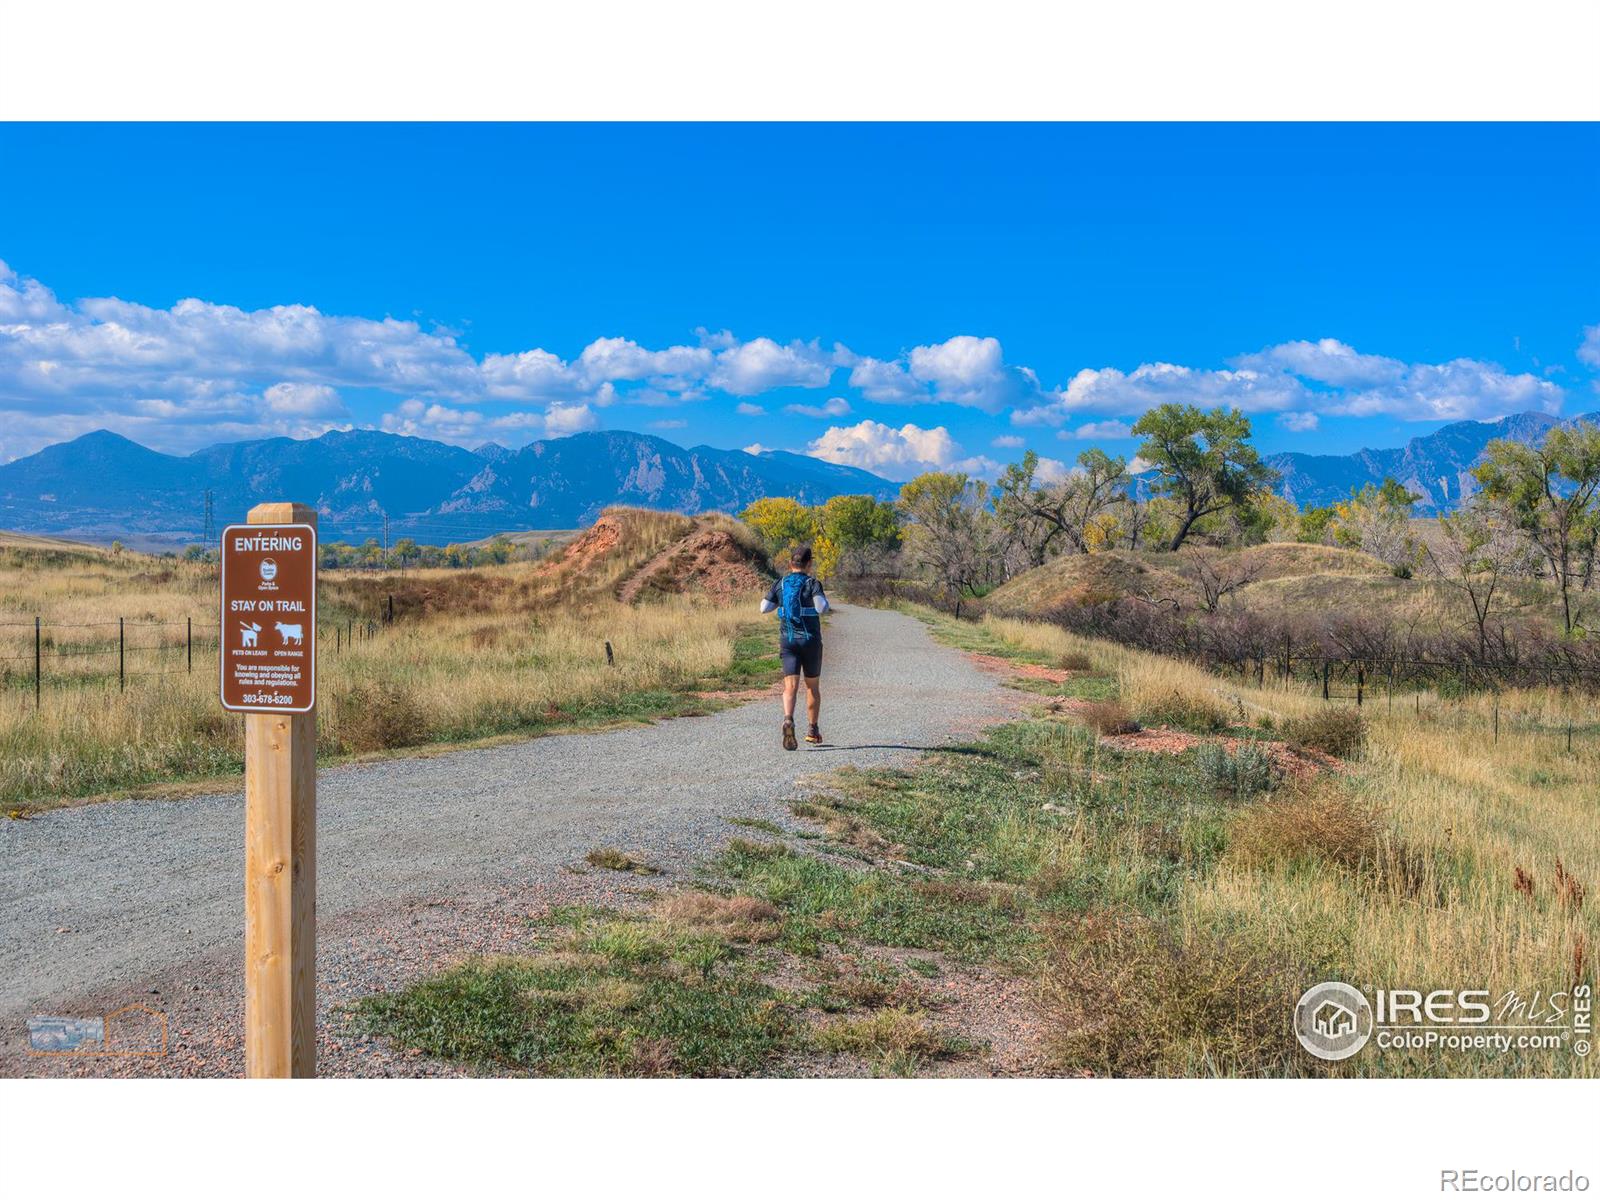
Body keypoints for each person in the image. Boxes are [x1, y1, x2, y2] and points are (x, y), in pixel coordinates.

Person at [760, 544, 830, 749]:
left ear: (791, 563)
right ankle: (812, 730)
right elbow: (822, 608)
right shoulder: (812, 583)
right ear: (809, 564)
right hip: (810, 641)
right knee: (812, 687)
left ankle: (788, 719)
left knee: (790, 687)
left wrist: (780, 605)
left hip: (787, 640)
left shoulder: (780, 583)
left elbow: (764, 608)